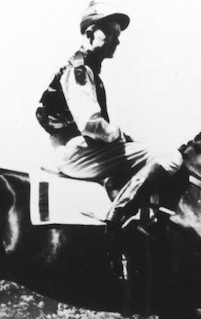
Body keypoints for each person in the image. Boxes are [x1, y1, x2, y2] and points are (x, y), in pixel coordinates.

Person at [36, 2, 184, 234]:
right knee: (170, 156)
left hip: (77, 150)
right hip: (79, 151)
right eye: (111, 32)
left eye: (118, 34)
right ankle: (120, 213)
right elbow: (90, 124)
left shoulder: (87, 68)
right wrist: (119, 134)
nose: (117, 40)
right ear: (89, 33)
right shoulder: (80, 69)